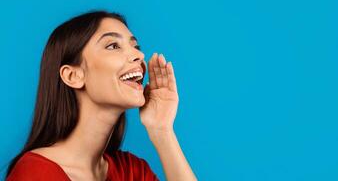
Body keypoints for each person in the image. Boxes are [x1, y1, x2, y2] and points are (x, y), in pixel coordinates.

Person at [6, 10, 197, 181]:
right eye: (113, 46)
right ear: (73, 76)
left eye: (136, 47)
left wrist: (162, 131)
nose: (138, 55)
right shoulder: (35, 173)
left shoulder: (132, 171)